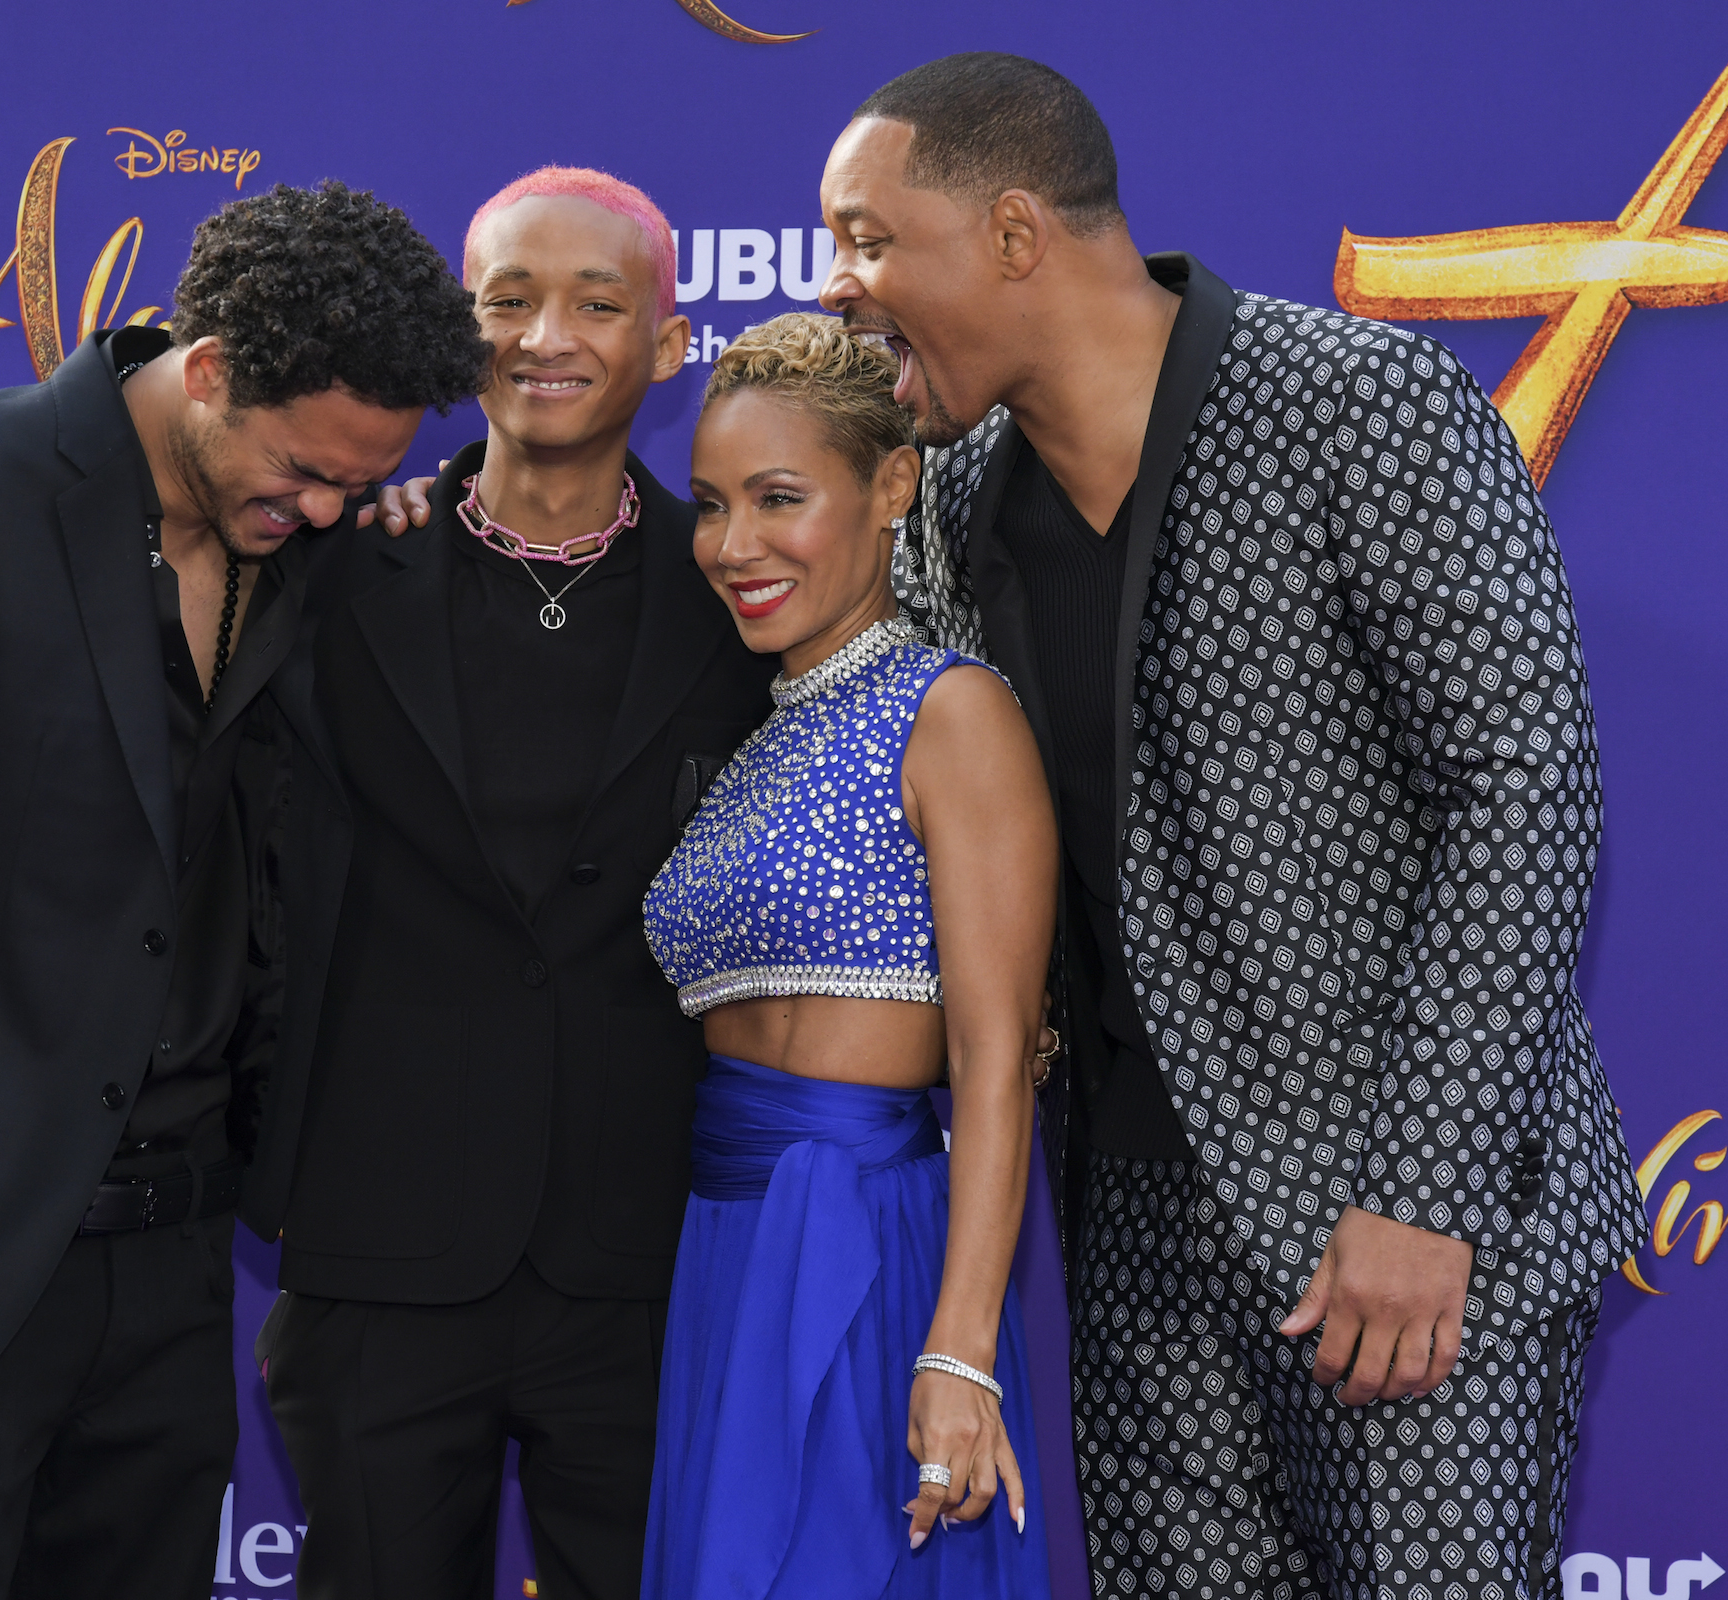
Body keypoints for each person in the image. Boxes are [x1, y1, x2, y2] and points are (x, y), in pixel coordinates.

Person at [817, 52, 1650, 1600]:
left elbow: (1524, 788)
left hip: (1401, 1235)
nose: (840, 284)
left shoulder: (1358, 402)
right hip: (1133, 1234)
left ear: (1013, 234)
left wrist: (1424, 1194)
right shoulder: (952, 496)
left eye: (867, 238)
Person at [0, 180, 489, 1599]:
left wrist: (367, 505)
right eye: (304, 468)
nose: (326, 505)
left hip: (175, 1253)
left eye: (357, 478)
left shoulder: (313, 540)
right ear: (207, 374)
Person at [257, 167, 778, 1600]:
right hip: (379, 1246)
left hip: (648, 1255)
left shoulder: (739, 593)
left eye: (596, 303)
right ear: (458, 330)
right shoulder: (335, 567)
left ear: (669, 345)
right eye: (508, 301)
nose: (546, 334)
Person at [640, 312, 1057, 1599]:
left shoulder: (953, 711)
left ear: (891, 487)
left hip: (866, 1248)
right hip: (727, 1244)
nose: (733, 546)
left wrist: (962, 1352)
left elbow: (997, 1065)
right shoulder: (760, 732)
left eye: (779, 499)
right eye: (709, 506)